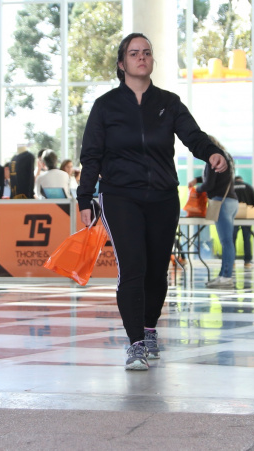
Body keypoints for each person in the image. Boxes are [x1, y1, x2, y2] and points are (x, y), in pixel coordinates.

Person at [78, 32, 227, 371]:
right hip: (119, 197)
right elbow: (92, 155)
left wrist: (212, 153)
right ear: (122, 63)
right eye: (134, 53)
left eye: (146, 52)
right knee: (132, 268)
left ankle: (148, 329)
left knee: (157, 272)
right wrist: (84, 197)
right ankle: (134, 344)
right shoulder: (106, 106)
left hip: (162, 197)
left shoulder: (168, 103)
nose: (141, 57)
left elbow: (193, 136)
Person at [188, 137, 236, 289]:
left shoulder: (212, 158)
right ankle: (223, 275)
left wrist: (197, 190)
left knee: (226, 241)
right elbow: (216, 176)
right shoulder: (226, 156)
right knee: (228, 241)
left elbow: (209, 183)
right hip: (232, 201)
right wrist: (197, 179)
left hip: (220, 202)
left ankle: (226, 277)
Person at [233, 175, 254, 269]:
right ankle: (247, 262)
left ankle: (232, 261)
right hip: (246, 216)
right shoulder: (248, 186)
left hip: (233, 216)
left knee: (232, 239)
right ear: (241, 180)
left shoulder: (230, 186)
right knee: (246, 239)